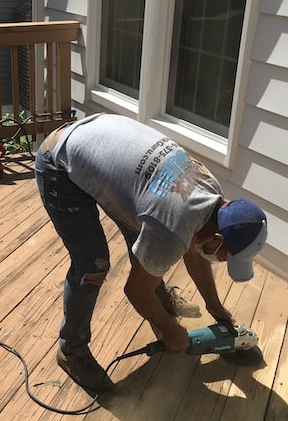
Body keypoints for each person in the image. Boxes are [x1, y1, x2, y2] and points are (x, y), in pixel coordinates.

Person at [35, 113, 267, 392]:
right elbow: (134, 291)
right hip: (59, 161)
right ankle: (71, 350)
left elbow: (193, 252)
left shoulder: (211, 196)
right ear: (216, 239)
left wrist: (214, 305)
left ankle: (159, 303)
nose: (222, 262)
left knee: (145, 237)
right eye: (226, 257)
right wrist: (170, 332)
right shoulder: (171, 227)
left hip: (101, 141)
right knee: (92, 265)